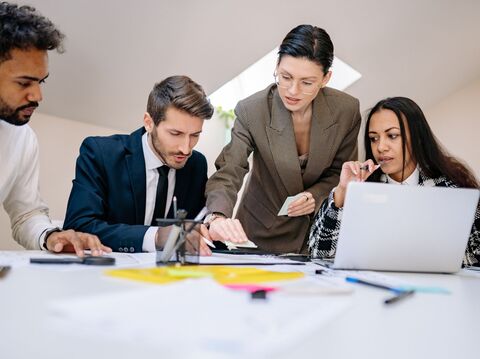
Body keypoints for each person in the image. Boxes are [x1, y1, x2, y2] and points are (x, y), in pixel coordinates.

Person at [205, 24, 361, 253]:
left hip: (317, 236)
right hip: (257, 235)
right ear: (277, 66)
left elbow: (341, 173)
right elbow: (230, 169)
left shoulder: (346, 110)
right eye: (285, 77)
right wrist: (217, 217)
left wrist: (315, 195)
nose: (292, 91)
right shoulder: (252, 110)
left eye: (307, 82)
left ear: (326, 78)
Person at [309, 96, 480, 266]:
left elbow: (475, 256)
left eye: (392, 135)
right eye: (374, 138)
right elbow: (319, 254)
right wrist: (342, 192)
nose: (381, 147)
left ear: (418, 137)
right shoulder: (361, 190)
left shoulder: (452, 189)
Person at [0, 1, 110, 256]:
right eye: (24, 83)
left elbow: (26, 213)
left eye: (41, 82)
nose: (38, 95)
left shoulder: (22, 137)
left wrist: (51, 236)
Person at [63, 76, 214, 255]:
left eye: (195, 135)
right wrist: (155, 237)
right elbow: (78, 226)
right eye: (175, 133)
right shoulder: (101, 154)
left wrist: (211, 229)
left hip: (172, 278)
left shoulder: (196, 164)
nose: (186, 148)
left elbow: (196, 228)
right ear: (149, 123)